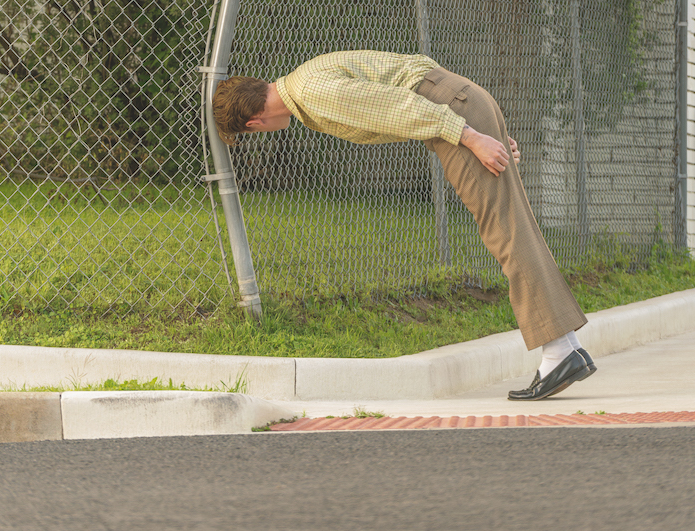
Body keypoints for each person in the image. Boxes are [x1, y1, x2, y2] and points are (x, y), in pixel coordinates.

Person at [213, 49, 597, 401]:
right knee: (515, 226)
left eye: (250, 134)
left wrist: (472, 136)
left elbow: (397, 103)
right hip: (458, 103)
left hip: (450, 115)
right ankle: (565, 346)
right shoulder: (303, 81)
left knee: (506, 231)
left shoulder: (312, 93)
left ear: (254, 121)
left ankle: (559, 351)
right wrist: (480, 128)